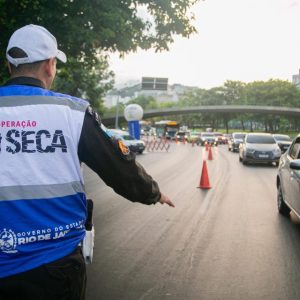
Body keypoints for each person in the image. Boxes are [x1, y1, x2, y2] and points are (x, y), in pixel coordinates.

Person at [0, 24, 174, 300]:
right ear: (49, 65)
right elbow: (118, 167)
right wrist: (152, 193)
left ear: (10, 65)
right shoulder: (72, 112)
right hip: (54, 265)